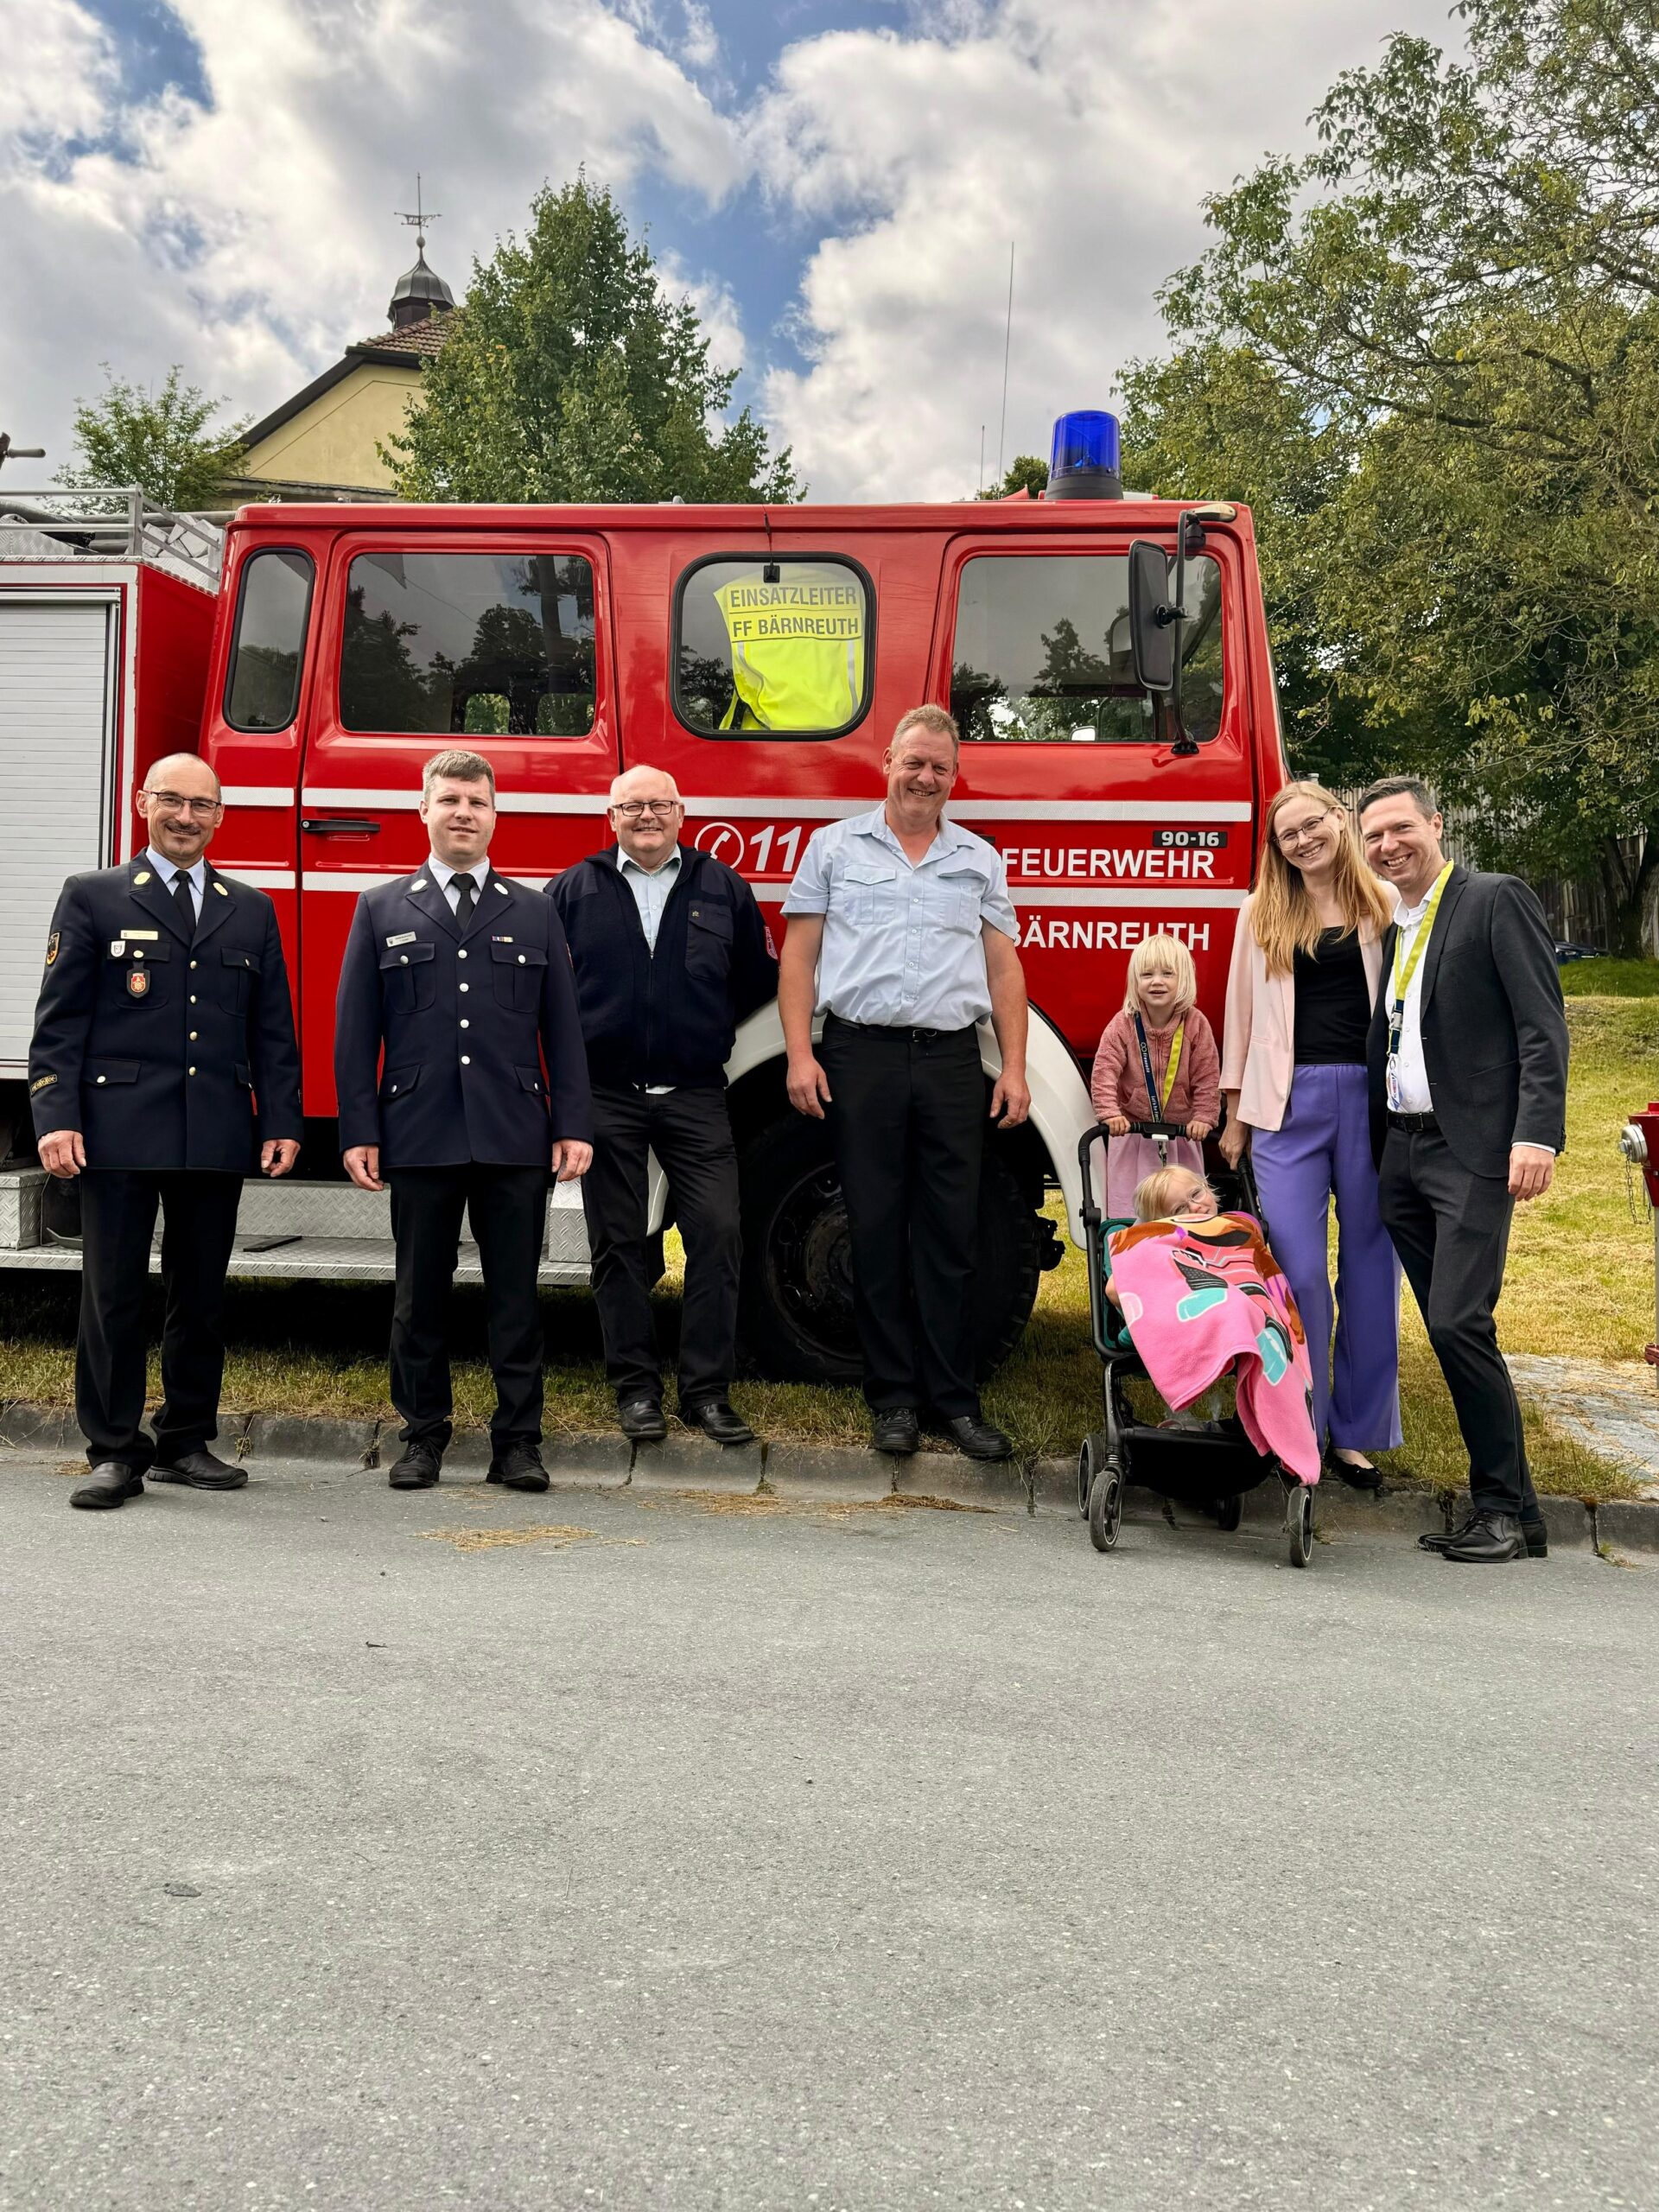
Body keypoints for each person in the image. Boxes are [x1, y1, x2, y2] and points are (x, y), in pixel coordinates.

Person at [29, 754, 302, 1510]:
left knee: (201, 1297)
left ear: (221, 816)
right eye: (172, 801)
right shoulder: (93, 896)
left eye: (202, 805)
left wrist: (281, 1119)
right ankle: (114, 1451)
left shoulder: (251, 909)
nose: (186, 816)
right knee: (112, 1296)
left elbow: (272, 1030)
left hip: (214, 1131)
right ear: (142, 803)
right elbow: (59, 1024)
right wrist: (55, 1116)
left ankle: (185, 1441)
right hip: (116, 1132)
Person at [334, 749, 593, 1493]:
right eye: (449, 799)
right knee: (419, 1298)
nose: (463, 813)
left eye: (477, 802)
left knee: (516, 1299)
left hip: (514, 1133)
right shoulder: (381, 907)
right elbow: (356, 1030)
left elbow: (563, 1029)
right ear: (424, 810)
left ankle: (518, 1444)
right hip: (419, 1132)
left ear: (494, 815)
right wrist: (360, 1130)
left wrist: (573, 1123)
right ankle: (423, 1437)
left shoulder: (534, 910)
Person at [779, 703, 1030, 1460]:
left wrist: (1016, 1067)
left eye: (939, 767)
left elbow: (1003, 968)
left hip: (952, 1061)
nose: (925, 777)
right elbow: (798, 958)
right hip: (861, 1056)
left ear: (955, 777)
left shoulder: (978, 859)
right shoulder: (833, 848)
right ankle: (892, 1398)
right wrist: (799, 1055)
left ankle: (955, 1399)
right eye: (913, 762)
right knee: (876, 1227)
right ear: (887, 761)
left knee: (952, 1232)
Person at [1357, 776, 1569, 1565]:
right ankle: (1523, 1513)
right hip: (1403, 1153)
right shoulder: (1395, 924)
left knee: (1456, 1322)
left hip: (1473, 1149)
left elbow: (1542, 1027)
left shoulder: (1492, 899)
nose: (1388, 846)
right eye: (1374, 836)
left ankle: (1499, 1511)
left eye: (1401, 828)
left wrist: (1536, 1135)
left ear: (1437, 824)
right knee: (1458, 1331)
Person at [549, 765, 777, 1446]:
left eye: (658, 805)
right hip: (606, 1095)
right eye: (632, 806)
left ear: (681, 813)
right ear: (610, 817)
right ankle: (637, 1391)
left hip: (695, 1093)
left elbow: (755, 978)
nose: (646, 816)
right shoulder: (573, 889)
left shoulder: (722, 886)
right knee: (618, 1244)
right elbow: (546, 989)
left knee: (719, 1232)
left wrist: (700, 1032)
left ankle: (706, 1393)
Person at [1218, 779, 1401, 1489]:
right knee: (1296, 1274)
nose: (1303, 840)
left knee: (1370, 1268)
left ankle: (1355, 1434)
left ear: (1338, 819)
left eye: (1311, 824)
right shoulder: (1259, 912)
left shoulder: (1384, 903)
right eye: (1287, 834)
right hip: (1285, 1106)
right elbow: (1240, 1017)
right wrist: (1236, 1117)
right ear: (1277, 848)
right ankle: (1302, 1425)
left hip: (1371, 1103)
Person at [1090, 934, 1219, 1219]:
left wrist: (1204, 1117)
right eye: (1147, 974)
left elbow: (1208, 1076)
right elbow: (1104, 1071)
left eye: (1167, 974)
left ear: (1183, 979)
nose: (1156, 982)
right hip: (1133, 1134)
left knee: (1188, 1208)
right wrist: (1109, 1113)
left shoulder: (1196, 1025)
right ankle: (1127, 1243)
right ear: (1135, 981)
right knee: (1130, 1208)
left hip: (1181, 1135)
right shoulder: (1123, 1025)